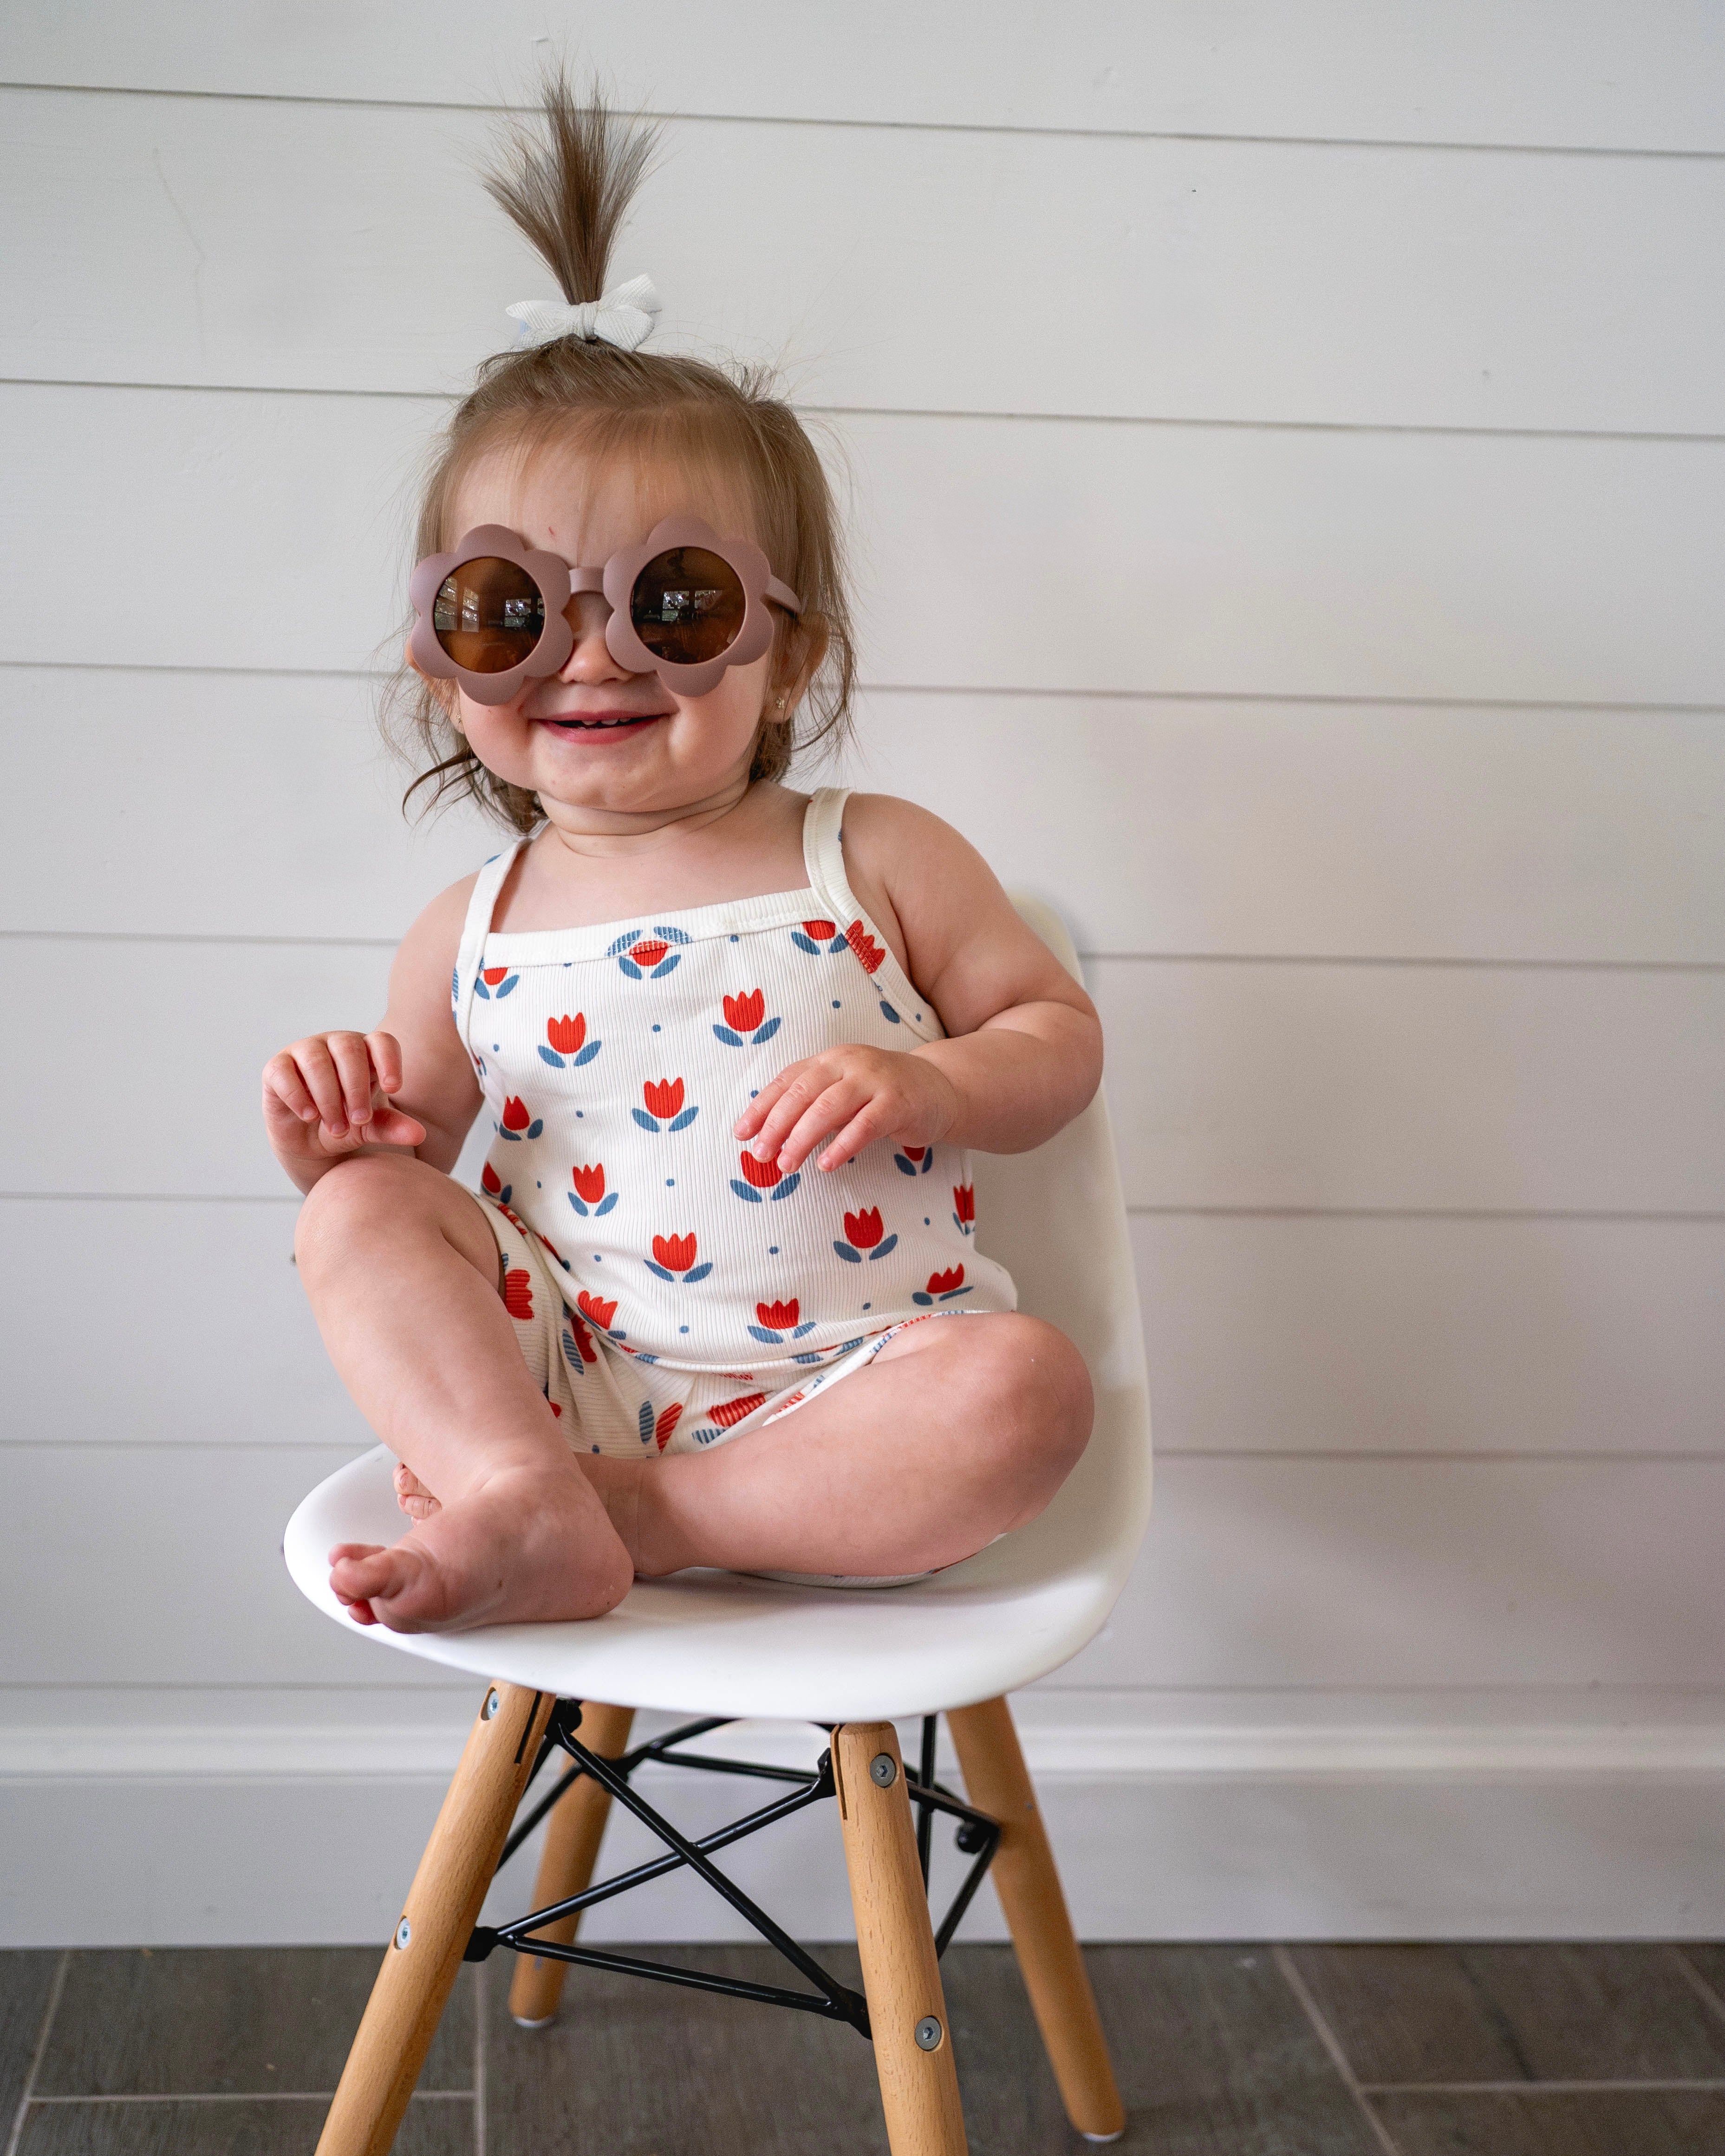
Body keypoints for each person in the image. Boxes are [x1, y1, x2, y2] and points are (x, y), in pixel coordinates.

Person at [262, 75, 1101, 1633]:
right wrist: (344, 1150)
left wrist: (933, 1083)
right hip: (559, 1377)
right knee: (351, 1226)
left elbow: (1057, 1042)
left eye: (675, 604)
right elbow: (420, 1179)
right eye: (510, 609)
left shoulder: (876, 858)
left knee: (1027, 1392)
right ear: (441, 661)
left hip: (850, 1394)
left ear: (788, 654)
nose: (591, 660)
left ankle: (612, 1524)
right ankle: (524, 1484)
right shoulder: (470, 926)